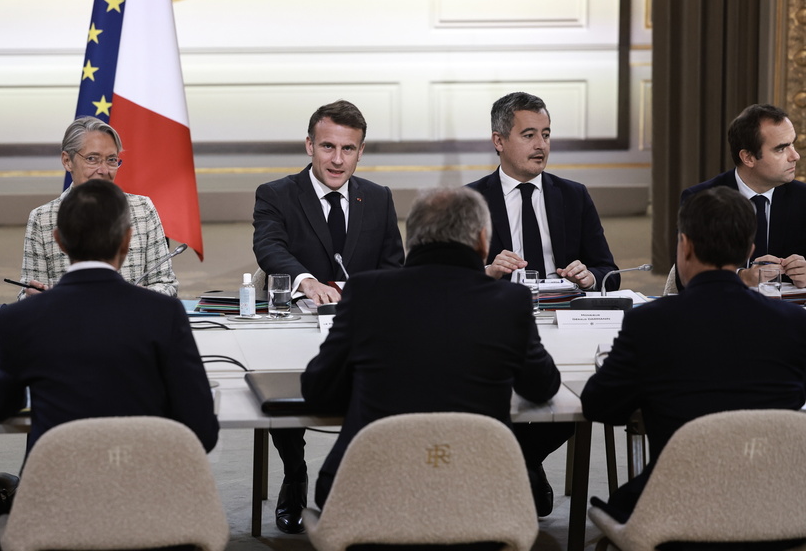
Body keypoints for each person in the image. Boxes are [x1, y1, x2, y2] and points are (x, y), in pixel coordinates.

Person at [301, 187, 563, 517]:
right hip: (481, 496)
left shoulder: (366, 293)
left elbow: (318, 390)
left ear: (411, 240)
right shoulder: (509, 302)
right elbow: (542, 387)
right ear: (483, 241)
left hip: (367, 495)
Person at [582, 186, 806, 524]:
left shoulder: (649, 323)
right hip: (778, 511)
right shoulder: (794, 323)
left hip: (675, 512)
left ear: (684, 247)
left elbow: (599, 406)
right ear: (749, 250)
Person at [252, 99, 405, 533]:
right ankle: (295, 474)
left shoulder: (377, 198)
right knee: (282, 379)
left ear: (360, 152)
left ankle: (357, 481)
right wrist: (305, 280)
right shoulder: (277, 193)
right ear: (309, 146)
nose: (338, 160)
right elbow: (269, 248)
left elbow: (394, 265)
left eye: (349, 149)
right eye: (327, 147)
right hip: (296, 330)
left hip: (361, 331)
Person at [0, 179, 218, 456]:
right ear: (127, 240)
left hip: (54, 491)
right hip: (145, 490)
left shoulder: (20, 318)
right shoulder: (164, 314)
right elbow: (203, 433)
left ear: (59, 241)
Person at [466, 92, 619, 290]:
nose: (541, 145)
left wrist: (589, 278)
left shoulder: (574, 195)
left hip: (563, 309)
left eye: (545, 135)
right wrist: (488, 272)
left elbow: (609, 271)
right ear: (499, 141)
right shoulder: (469, 201)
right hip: (500, 308)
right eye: (529, 135)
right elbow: (448, 277)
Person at [18, 116, 178, 298]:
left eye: (111, 160)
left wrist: (143, 295)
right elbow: (25, 294)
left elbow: (166, 284)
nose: (103, 170)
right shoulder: (42, 218)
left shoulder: (142, 209)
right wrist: (33, 295)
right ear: (67, 161)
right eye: (92, 159)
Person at [676, 103, 806, 290]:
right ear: (748, 158)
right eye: (781, 149)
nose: (795, 156)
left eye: (792, 144)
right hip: (723, 313)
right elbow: (685, 279)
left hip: (789, 313)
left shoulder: (803, 198)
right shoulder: (701, 199)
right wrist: (741, 277)